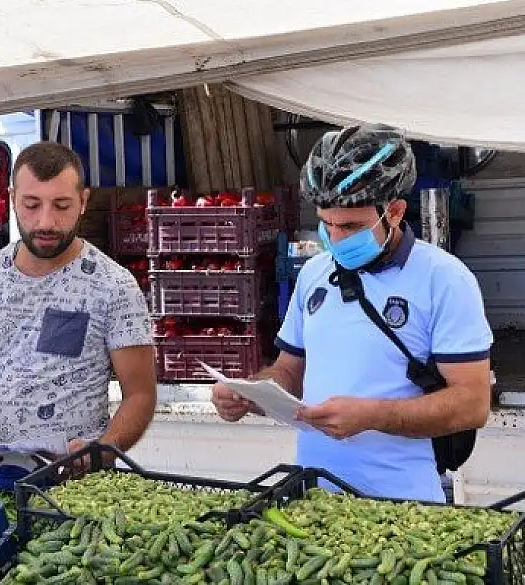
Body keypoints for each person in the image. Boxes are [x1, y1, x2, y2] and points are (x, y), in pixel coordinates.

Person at [211, 124, 493, 502]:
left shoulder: (444, 279)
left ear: (393, 212)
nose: (336, 238)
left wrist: (372, 416)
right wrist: (249, 395)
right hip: (314, 500)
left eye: (351, 226)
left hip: (405, 504)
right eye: (326, 223)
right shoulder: (313, 274)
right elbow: (289, 371)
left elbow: (472, 404)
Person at [0, 141, 156, 488]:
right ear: (11, 197)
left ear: (83, 201)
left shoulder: (114, 286)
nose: (46, 221)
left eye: (62, 206)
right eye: (31, 204)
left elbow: (141, 394)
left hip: (75, 489)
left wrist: (102, 449)